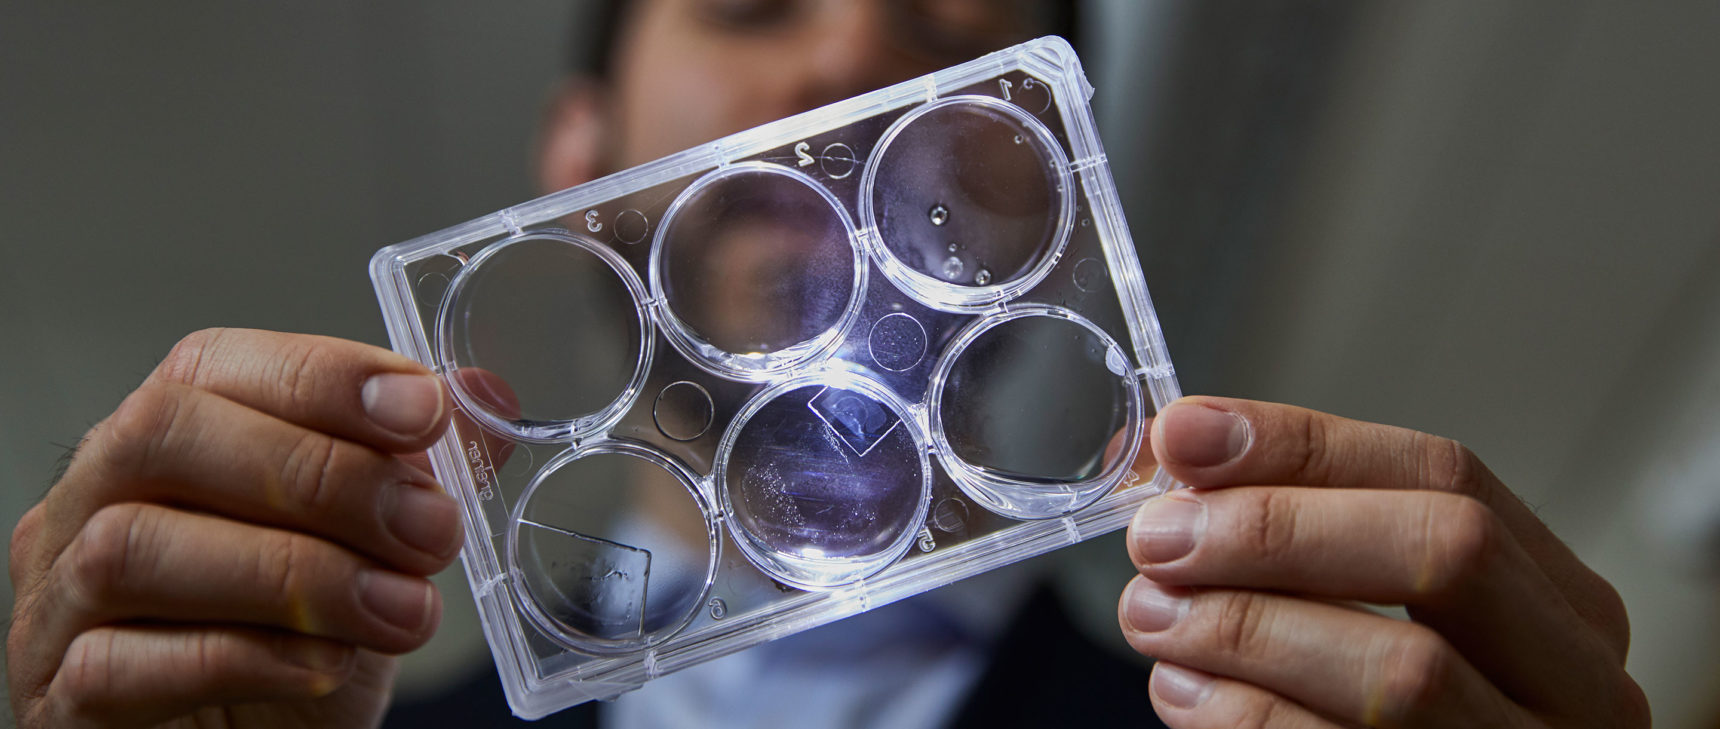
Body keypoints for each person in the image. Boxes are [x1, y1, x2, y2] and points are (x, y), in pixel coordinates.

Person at [6, 1, 1649, 727]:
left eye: (949, 35)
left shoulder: (1267, 722)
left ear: (1061, 190)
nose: (858, 52)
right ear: (578, 146)